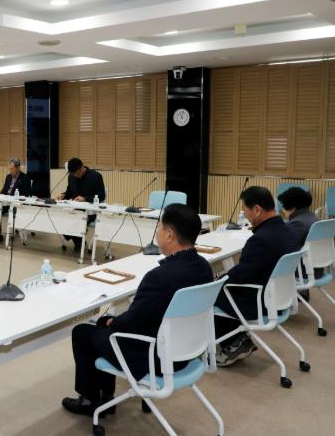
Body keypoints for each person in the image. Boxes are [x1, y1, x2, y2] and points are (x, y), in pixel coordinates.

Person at [62, 204, 213, 416]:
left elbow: (130, 323)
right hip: (185, 353)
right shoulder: (204, 268)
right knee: (104, 326)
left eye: (159, 227)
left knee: (83, 332)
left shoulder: (159, 277)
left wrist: (111, 321)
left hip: (154, 357)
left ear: (170, 235)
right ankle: (105, 397)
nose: (157, 231)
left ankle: (92, 400)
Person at [214, 186, 298, 367]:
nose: (244, 214)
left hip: (260, 302)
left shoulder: (260, 239)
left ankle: (233, 343)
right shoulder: (289, 232)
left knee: (212, 292)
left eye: (245, 209)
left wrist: (218, 279)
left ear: (257, 209)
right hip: (280, 297)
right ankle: (239, 339)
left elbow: (241, 275)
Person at [278, 186, 322, 299]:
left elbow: (283, 247)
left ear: (292, 207)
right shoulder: (313, 217)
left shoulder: (297, 223)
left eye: (284, 207)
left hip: (304, 272)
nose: (283, 211)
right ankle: (300, 292)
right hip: (317, 268)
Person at [58, 158, 106, 251]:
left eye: (77, 173)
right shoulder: (71, 176)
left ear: (82, 168)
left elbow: (101, 196)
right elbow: (70, 192)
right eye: (73, 174)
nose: (75, 176)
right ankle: (79, 240)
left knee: (75, 222)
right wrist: (63, 195)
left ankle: (78, 241)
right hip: (75, 209)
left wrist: (85, 198)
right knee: (61, 219)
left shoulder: (96, 176)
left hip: (90, 211)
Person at [0, 158, 32, 243]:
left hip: (14, 204)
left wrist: (12, 199)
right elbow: (4, 190)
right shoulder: (8, 177)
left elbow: (26, 195)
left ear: (18, 167)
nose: (10, 171)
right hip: (4, 201)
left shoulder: (25, 178)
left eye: (12, 169)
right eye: (9, 169)